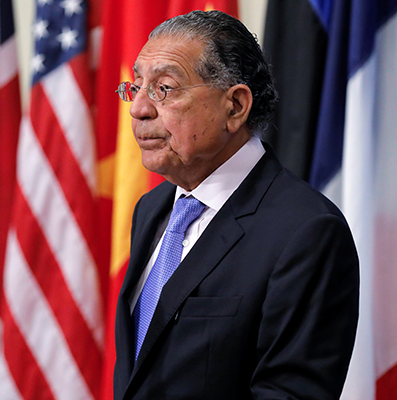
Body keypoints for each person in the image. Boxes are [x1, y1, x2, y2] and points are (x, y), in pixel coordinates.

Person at [113, 10, 359, 400]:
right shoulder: (152, 209)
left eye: (164, 88)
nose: (138, 109)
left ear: (235, 106)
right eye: (136, 86)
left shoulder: (307, 231)